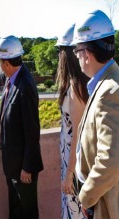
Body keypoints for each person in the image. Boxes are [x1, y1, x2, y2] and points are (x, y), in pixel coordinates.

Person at [0, 35, 43, 219]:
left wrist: (27, 168)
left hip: (23, 169)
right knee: (15, 210)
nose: (0, 66)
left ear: (7, 63)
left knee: (28, 211)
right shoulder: (12, 74)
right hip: (12, 164)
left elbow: (33, 132)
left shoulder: (25, 86)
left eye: (0, 62)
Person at [72, 10, 119, 219]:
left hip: (106, 200)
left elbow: (111, 159)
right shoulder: (109, 83)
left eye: (76, 51)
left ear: (87, 54)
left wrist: (87, 196)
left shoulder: (109, 92)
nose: (77, 57)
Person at [55, 24, 90, 219]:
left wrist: (69, 174)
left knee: (74, 213)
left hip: (74, 167)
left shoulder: (75, 89)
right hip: (74, 164)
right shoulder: (80, 85)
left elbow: (78, 133)